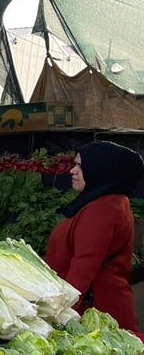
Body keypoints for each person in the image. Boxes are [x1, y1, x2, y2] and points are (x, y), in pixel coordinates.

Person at [45, 140, 143, 332]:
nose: (73, 170)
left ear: (101, 170)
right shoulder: (106, 201)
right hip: (99, 306)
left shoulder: (103, 209)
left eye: (81, 166)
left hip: (95, 313)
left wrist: (62, 316)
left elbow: (84, 266)